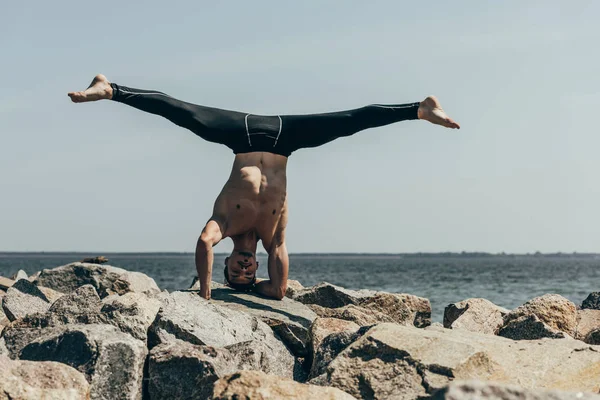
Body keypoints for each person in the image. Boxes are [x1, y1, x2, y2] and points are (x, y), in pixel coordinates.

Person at [68, 74, 460, 300]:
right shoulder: (272, 240)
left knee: (181, 112)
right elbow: (280, 287)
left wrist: (206, 293)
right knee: (348, 121)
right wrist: (264, 290)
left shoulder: (224, 226)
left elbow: (204, 244)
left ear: (229, 262)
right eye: (246, 272)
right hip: (286, 139)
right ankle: (420, 109)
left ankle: (109, 88)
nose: (241, 269)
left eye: (234, 271)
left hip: (239, 134)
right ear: (255, 268)